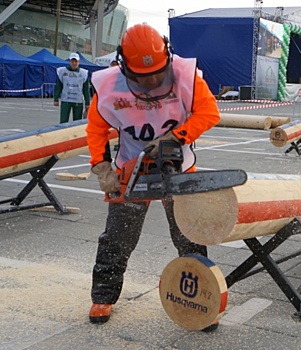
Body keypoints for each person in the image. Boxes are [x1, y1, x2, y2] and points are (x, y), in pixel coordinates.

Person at [85, 23, 221, 331]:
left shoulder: (186, 75)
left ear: (167, 60)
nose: (152, 82)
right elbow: (95, 128)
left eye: (158, 75)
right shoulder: (108, 85)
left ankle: (202, 298)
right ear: (124, 66)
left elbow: (209, 112)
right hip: (131, 167)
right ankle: (103, 296)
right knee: (118, 236)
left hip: (178, 165)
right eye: (143, 78)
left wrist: (176, 136)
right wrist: (101, 165)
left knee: (190, 236)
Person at [53, 52, 91, 123]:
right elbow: (58, 86)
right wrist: (56, 98)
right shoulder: (62, 71)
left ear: (79, 62)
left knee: (77, 121)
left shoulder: (83, 73)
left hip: (78, 100)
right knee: (63, 121)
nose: (74, 63)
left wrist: (87, 103)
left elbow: (86, 89)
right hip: (66, 100)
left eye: (75, 61)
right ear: (69, 61)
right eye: (72, 61)